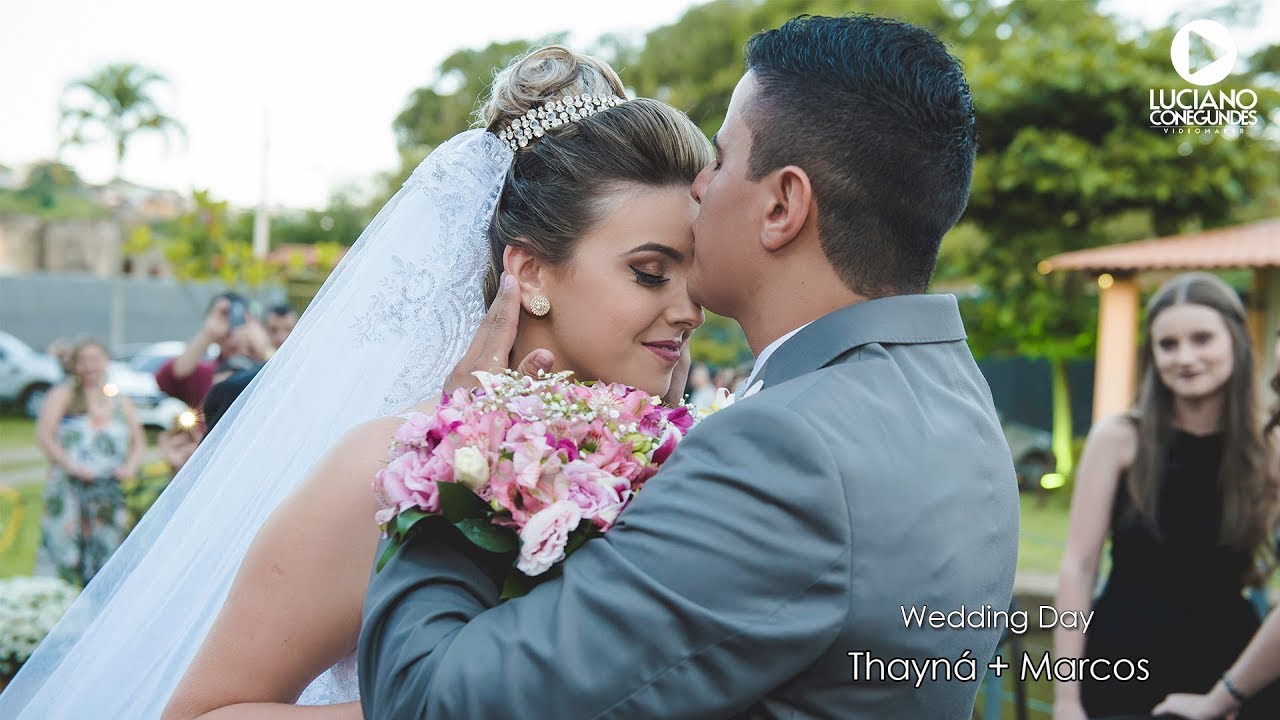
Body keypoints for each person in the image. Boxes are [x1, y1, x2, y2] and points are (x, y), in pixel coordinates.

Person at [0, 45, 709, 718]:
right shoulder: (390, 464)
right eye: (650, 272)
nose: (687, 310)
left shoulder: (683, 460)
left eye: (695, 274)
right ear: (529, 272)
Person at [358, 14, 1018, 720]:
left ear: (783, 205)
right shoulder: (959, 406)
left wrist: (467, 451)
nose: (701, 186)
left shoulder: (783, 454)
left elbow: (433, 700)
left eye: (724, 159)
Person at [1052, 272, 1280, 720]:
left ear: (1235, 338)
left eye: (1202, 338)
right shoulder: (1119, 438)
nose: (1185, 357)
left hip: (1228, 666)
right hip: (1122, 662)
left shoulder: (1267, 448)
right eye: (1168, 345)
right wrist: (1065, 698)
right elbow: (1078, 568)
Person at [33, 339, 145, 586]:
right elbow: (45, 436)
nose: (89, 367)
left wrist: (129, 467)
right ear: (74, 365)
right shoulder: (64, 396)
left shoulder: (119, 401)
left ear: (106, 362)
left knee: (108, 548)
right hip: (69, 487)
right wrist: (71, 466)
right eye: (83, 361)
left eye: (95, 359)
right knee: (65, 547)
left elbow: (138, 441)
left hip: (106, 489)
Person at [155, 292, 274, 410]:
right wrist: (207, 334)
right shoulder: (205, 373)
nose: (234, 340)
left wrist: (262, 350)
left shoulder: (266, 369)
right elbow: (168, 378)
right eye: (227, 335)